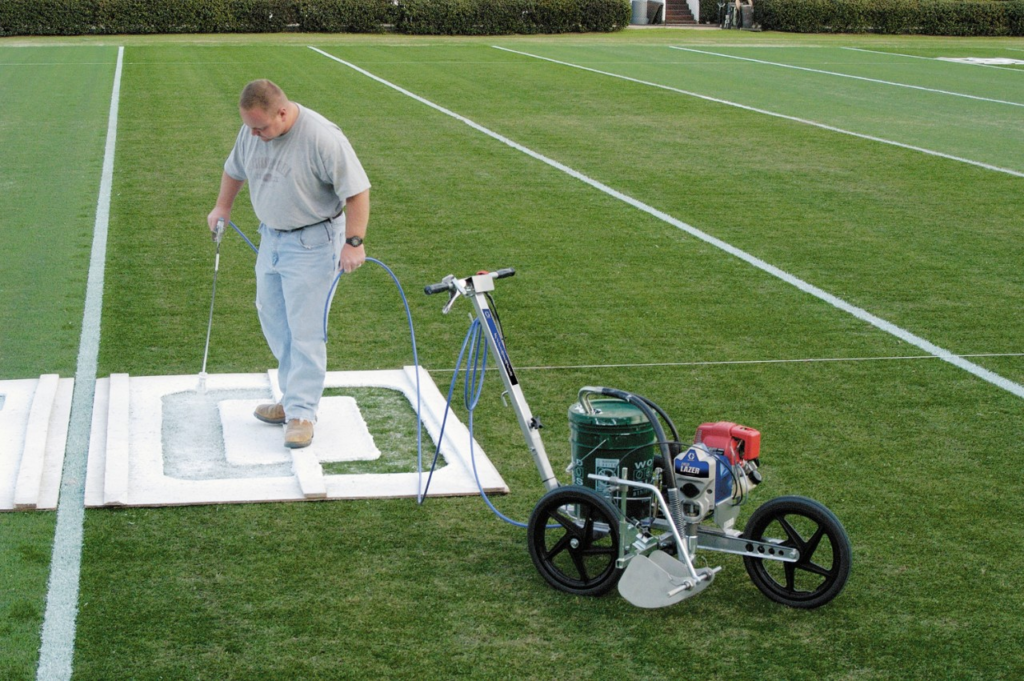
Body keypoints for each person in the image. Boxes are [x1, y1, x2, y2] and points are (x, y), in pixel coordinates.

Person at [207, 79, 371, 449]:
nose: (255, 134)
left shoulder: (322, 137)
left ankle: (301, 413)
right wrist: (223, 207)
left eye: (261, 127)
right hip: (272, 238)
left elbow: (358, 191)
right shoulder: (253, 131)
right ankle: (291, 398)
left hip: (314, 243)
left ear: (282, 112)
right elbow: (234, 169)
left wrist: (354, 242)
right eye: (250, 127)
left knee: (306, 329)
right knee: (274, 318)